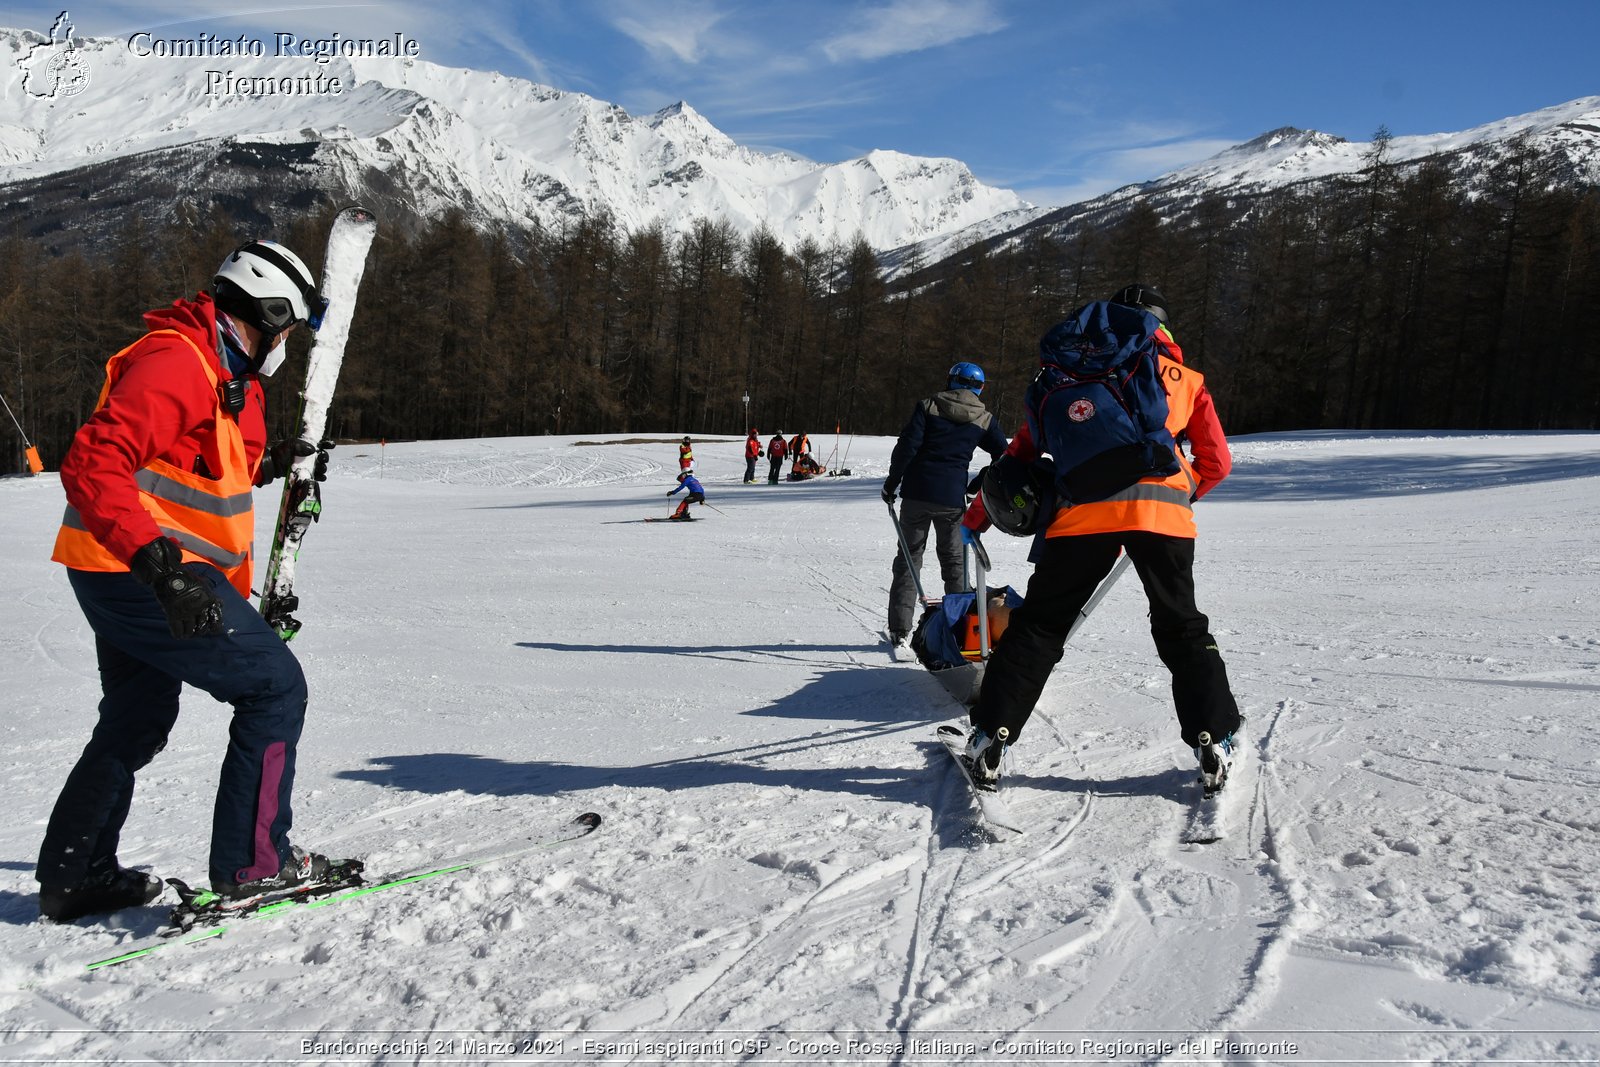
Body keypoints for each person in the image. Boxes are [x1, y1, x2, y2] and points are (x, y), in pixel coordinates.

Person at [37, 239, 347, 923]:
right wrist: (162, 572)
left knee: (138, 715)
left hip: (117, 568)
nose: (285, 345)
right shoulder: (176, 361)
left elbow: (209, 469)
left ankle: (76, 873)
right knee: (274, 687)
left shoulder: (225, 372)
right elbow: (93, 464)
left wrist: (286, 465)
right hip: (140, 569)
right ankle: (254, 865)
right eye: (286, 330)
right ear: (263, 317)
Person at [962, 287, 1241, 794]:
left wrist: (977, 516)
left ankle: (990, 737)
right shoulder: (1185, 379)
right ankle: (1213, 739)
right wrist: (1178, 493)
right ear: (1162, 328)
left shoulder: (1065, 375)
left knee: (1041, 627)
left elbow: (1019, 457)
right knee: (1181, 625)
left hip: (1080, 516)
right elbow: (1217, 462)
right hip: (1164, 515)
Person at [882, 362, 1008, 647]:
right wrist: (977, 485)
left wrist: (892, 484)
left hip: (916, 495)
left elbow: (907, 447)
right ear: (980, 387)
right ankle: (960, 630)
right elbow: (1004, 456)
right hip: (952, 499)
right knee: (954, 564)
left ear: (951, 380)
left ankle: (899, 630)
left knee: (908, 560)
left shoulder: (928, 406)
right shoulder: (984, 418)